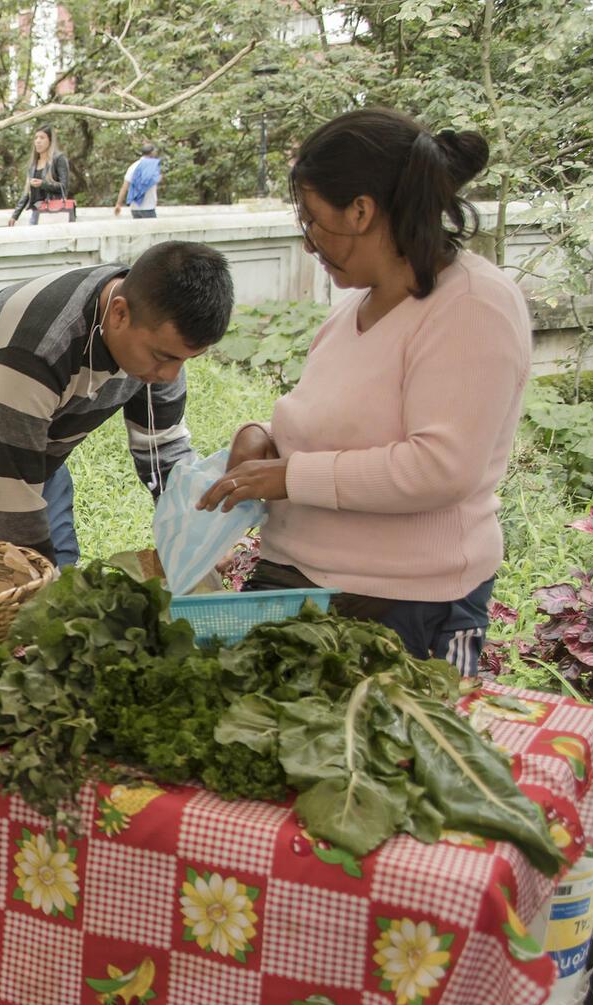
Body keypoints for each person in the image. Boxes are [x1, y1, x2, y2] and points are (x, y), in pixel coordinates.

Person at [199, 109, 526, 675]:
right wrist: (261, 440)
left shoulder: (473, 305)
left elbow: (441, 468)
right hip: (299, 584)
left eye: (312, 221)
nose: (308, 243)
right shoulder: (356, 306)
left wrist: (289, 476)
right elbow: (337, 428)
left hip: (402, 607)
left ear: (361, 210)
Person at [0, 241, 235, 566]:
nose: (170, 374)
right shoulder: (37, 346)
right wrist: (45, 590)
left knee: (58, 577)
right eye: (163, 357)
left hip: (37, 460)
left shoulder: (152, 328)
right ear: (119, 313)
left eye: (185, 359)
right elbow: (15, 493)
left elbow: (163, 451)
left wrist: (200, 533)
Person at [7, 128, 72, 226]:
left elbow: (64, 186)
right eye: (36, 138)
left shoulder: (59, 159)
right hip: (36, 212)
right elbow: (27, 193)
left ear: (50, 140)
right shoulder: (33, 165)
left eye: (42, 137)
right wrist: (15, 216)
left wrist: (43, 184)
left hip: (55, 211)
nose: (38, 141)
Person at [116, 144, 162, 219]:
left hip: (135, 208)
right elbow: (156, 179)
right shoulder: (153, 166)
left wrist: (118, 204)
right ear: (152, 152)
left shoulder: (133, 166)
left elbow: (124, 187)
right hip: (148, 207)